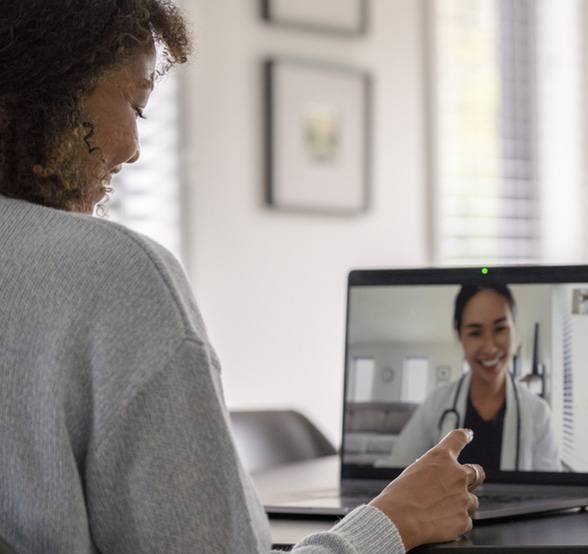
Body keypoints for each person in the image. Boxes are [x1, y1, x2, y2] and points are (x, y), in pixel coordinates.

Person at [0, 1, 483, 552]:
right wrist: (391, 523)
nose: (133, 150)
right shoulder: (116, 275)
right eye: (136, 106)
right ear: (53, 92)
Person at [384, 283, 561, 472]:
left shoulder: (538, 413)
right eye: (475, 333)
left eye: (500, 329)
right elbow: (396, 473)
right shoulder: (436, 404)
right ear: (460, 337)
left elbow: (551, 489)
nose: (490, 347)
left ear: (514, 330)